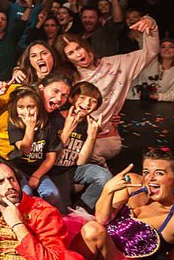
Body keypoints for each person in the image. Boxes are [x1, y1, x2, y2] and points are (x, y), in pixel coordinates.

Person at [58, 16, 159, 159]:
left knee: (86, 156)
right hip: (76, 137)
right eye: (71, 53)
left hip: (106, 137)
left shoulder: (116, 65)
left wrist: (152, 25)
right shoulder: (70, 79)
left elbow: (150, 52)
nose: (78, 54)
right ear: (67, 58)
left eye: (78, 48)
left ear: (85, 46)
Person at [50, 81, 109, 212]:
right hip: (51, 169)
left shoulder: (90, 124)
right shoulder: (54, 118)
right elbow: (50, 157)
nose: (87, 104)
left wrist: (92, 136)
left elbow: (81, 162)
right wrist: (67, 131)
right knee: (60, 209)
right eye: (82, 98)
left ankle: (80, 211)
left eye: (93, 101)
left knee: (103, 176)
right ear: (72, 98)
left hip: (73, 169)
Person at [4, 86, 62, 206]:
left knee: (52, 194)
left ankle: (42, 214)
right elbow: (25, 149)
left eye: (31, 107)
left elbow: (51, 158)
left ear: (38, 107)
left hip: (38, 169)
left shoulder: (48, 127)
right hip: (18, 168)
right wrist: (30, 128)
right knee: (26, 193)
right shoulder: (14, 124)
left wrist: (36, 176)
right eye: (21, 107)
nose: (27, 112)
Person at [128, 36, 174, 103]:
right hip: (133, 100)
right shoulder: (149, 61)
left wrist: (156, 96)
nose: (166, 49)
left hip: (160, 105)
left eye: (171, 47)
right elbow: (144, 45)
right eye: (163, 47)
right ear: (159, 50)